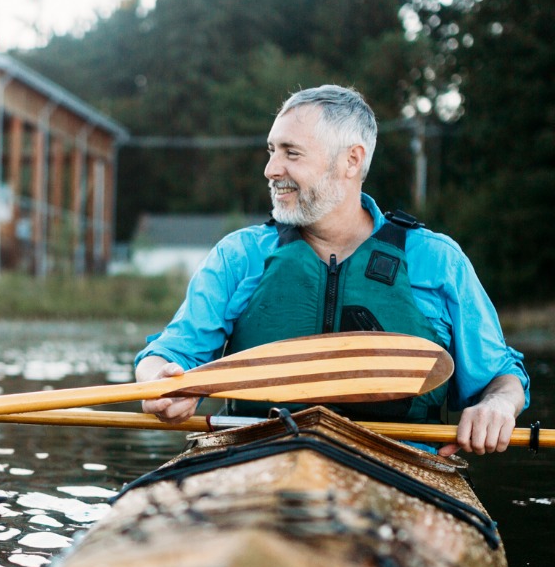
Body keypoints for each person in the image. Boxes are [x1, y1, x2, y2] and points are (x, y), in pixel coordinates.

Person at [135, 85, 529, 457]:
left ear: (351, 160)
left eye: (291, 153)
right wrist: (159, 382)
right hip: (257, 459)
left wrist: (498, 404)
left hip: (400, 465)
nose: (271, 169)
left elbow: (501, 376)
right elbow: (168, 354)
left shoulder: (438, 260)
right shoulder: (239, 256)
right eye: (271, 151)